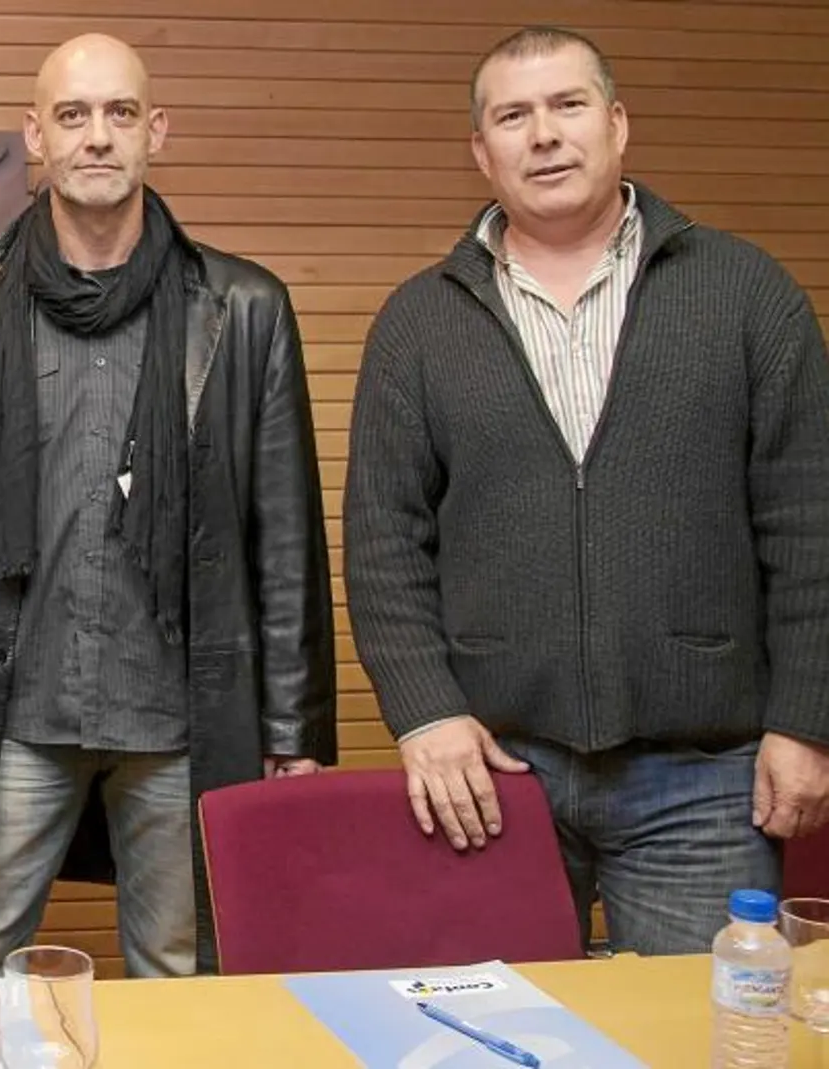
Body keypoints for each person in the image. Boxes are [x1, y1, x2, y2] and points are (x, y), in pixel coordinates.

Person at [344, 25, 829, 955]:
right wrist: (425, 711)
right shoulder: (417, 322)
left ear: (616, 124)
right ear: (482, 153)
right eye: (513, 117)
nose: (544, 135)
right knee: (495, 1036)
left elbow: (810, 527)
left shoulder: (745, 293)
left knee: (705, 1037)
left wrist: (806, 720)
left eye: (567, 106)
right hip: (490, 775)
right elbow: (383, 543)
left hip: (707, 780)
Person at [0, 33, 336, 976]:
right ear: (34, 136)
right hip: (13, 709)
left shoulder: (244, 308)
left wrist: (292, 727)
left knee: (185, 976)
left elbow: (284, 534)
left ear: (154, 132)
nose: (98, 136)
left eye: (120, 114)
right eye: (74, 115)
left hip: (183, 715)